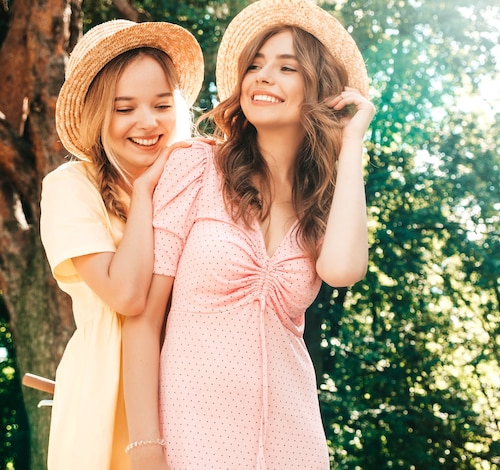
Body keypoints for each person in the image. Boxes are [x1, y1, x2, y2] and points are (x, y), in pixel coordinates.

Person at [122, 0, 376, 468]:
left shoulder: (321, 202)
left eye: (286, 67)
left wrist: (352, 142)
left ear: (318, 89)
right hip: (193, 435)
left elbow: (342, 270)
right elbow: (142, 318)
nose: (262, 76)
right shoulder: (196, 168)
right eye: (255, 65)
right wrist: (145, 447)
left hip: (293, 441)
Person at [39, 19, 204, 469]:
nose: (148, 123)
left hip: (194, 394)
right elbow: (127, 295)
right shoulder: (70, 186)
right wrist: (148, 192)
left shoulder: (200, 181)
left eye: (162, 104)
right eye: (124, 108)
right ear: (97, 114)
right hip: (105, 398)